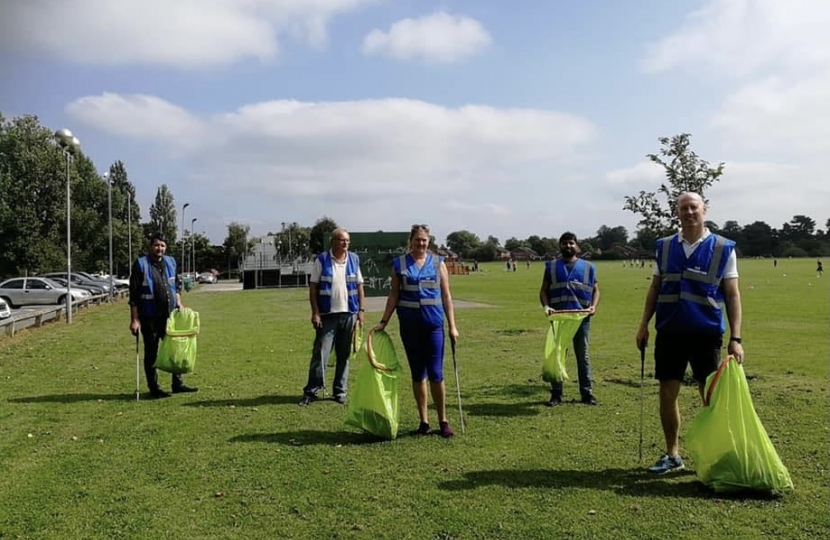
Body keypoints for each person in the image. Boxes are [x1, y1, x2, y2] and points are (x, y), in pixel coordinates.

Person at [635, 192, 744, 474]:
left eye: (693, 207)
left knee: (710, 397)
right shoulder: (665, 247)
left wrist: (736, 338)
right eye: (683, 208)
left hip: (706, 334)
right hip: (669, 332)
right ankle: (672, 455)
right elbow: (655, 288)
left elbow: (732, 296)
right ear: (677, 212)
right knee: (667, 393)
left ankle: (715, 456)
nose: (689, 212)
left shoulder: (723, 248)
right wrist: (643, 324)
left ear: (704, 209)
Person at [374, 224, 459, 438]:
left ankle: (443, 420)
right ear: (410, 240)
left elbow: (446, 296)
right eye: (417, 239)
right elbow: (393, 295)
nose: (421, 243)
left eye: (424, 240)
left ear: (429, 241)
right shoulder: (399, 264)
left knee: (436, 374)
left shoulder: (439, 263)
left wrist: (453, 326)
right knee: (417, 373)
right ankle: (424, 421)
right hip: (410, 327)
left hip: (434, 326)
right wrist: (384, 321)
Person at [300, 228, 365, 406]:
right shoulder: (322, 260)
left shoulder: (354, 259)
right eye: (342, 240)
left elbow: (359, 286)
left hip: (349, 315)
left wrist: (361, 311)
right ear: (334, 241)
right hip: (327, 316)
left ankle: (340, 391)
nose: (345, 244)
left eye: (348, 241)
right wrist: (315, 312)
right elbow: (313, 287)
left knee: (343, 355)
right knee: (321, 354)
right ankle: (311, 391)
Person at [129, 233, 198, 398]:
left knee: (175, 351)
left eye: (162, 245)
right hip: (149, 317)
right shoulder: (141, 264)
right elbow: (133, 296)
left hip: (169, 317)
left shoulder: (171, 262)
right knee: (152, 353)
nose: (159, 248)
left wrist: (179, 302)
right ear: (151, 247)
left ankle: (177, 384)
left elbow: (176, 286)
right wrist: (134, 320)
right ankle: (154, 388)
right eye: (156, 245)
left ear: (165, 247)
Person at [539, 232, 600, 406]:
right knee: (557, 354)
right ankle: (556, 394)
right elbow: (543, 290)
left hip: (581, 318)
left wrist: (594, 306)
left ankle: (587, 393)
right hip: (559, 318)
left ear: (576, 245)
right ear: (560, 246)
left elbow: (596, 290)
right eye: (564, 243)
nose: (568, 246)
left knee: (583, 356)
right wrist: (546, 306)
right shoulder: (551, 266)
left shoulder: (588, 267)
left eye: (571, 243)